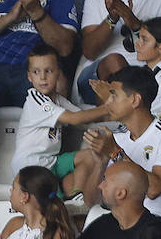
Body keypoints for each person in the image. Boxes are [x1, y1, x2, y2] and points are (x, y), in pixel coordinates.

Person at [73, 67, 161, 228]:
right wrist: (101, 162)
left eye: (114, 95)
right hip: (121, 223)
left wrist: (115, 152)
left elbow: (154, 189)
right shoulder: (117, 137)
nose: (108, 103)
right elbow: (92, 200)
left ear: (135, 100)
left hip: (159, 224)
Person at [13, 44, 110, 173]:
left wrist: (116, 113)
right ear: (29, 76)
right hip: (30, 166)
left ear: (58, 73)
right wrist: (109, 106)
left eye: (48, 71)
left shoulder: (59, 100)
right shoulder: (35, 100)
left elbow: (83, 118)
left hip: (51, 162)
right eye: (36, 72)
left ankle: (77, 193)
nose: (43, 77)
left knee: (90, 157)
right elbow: (75, 119)